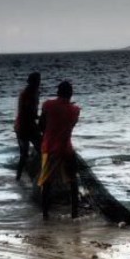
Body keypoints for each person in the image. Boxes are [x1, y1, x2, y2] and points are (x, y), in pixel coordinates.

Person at [37, 80, 81, 220]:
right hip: (67, 149)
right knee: (73, 182)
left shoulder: (48, 105)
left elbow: (41, 126)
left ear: (58, 92)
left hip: (50, 149)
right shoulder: (75, 110)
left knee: (47, 183)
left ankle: (45, 215)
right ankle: (74, 214)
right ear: (71, 94)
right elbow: (70, 124)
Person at [14, 72, 42, 182]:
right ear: (31, 82)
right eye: (36, 81)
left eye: (38, 81)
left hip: (26, 126)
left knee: (31, 152)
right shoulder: (26, 94)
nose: (38, 83)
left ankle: (22, 176)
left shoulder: (35, 93)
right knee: (26, 154)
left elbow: (32, 112)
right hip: (23, 127)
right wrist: (40, 118)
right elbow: (28, 112)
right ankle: (20, 177)